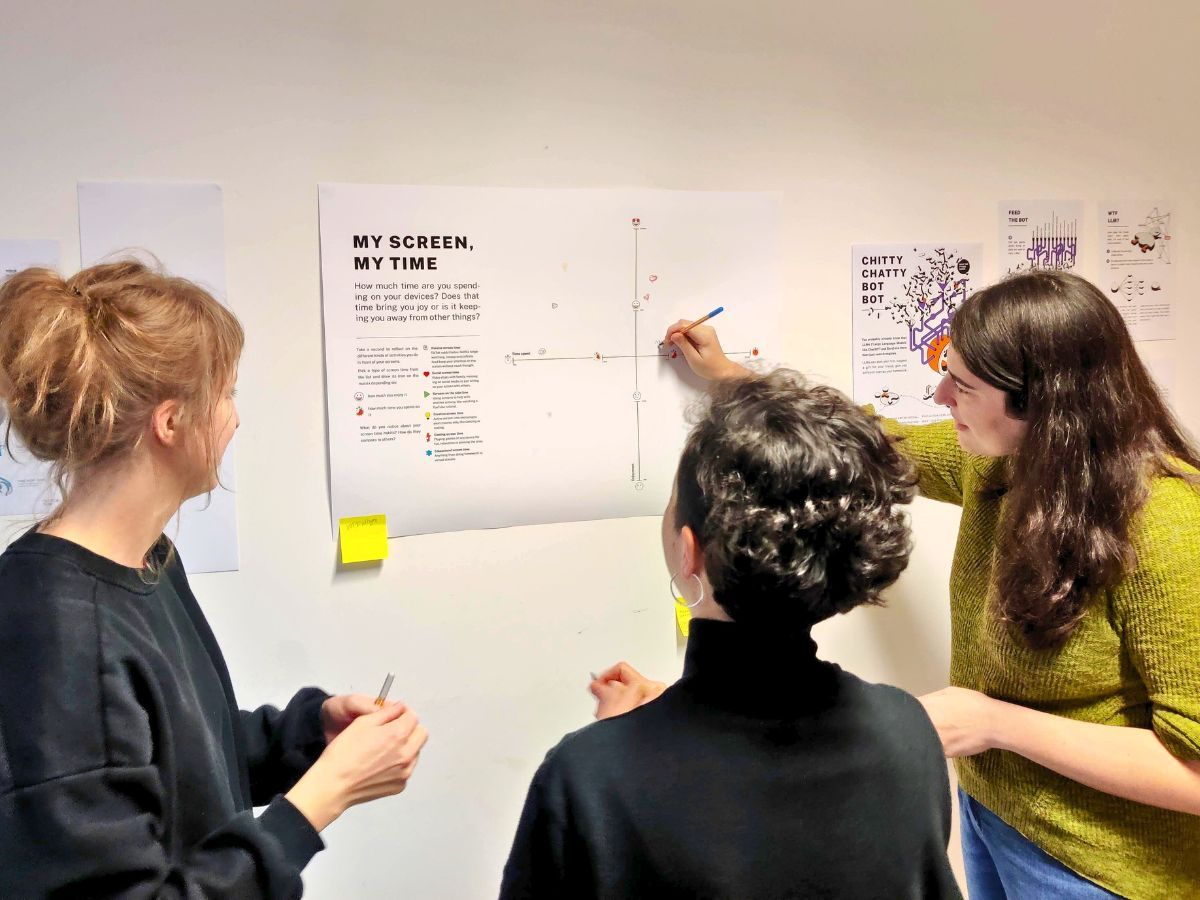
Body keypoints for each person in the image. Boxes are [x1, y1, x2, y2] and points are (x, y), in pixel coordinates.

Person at [662, 269, 1200, 898]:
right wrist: (730, 376)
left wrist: (998, 725)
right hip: (993, 815)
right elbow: (867, 441)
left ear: (1043, 403)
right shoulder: (1001, 461)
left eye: (964, 384)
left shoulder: (1167, 525)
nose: (941, 395)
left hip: (1104, 868)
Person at [0, 261, 428, 897]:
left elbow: (175, 761)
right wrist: (316, 802)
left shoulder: (148, 561)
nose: (234, 420)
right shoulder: (59, 633)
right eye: (226, 394)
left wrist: (306, 736)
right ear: (170, 423)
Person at [500, 370, 962, 899]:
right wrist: (642, 741)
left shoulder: (585, 777)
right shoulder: (907, 732)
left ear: (689, 550)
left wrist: (627, 751)